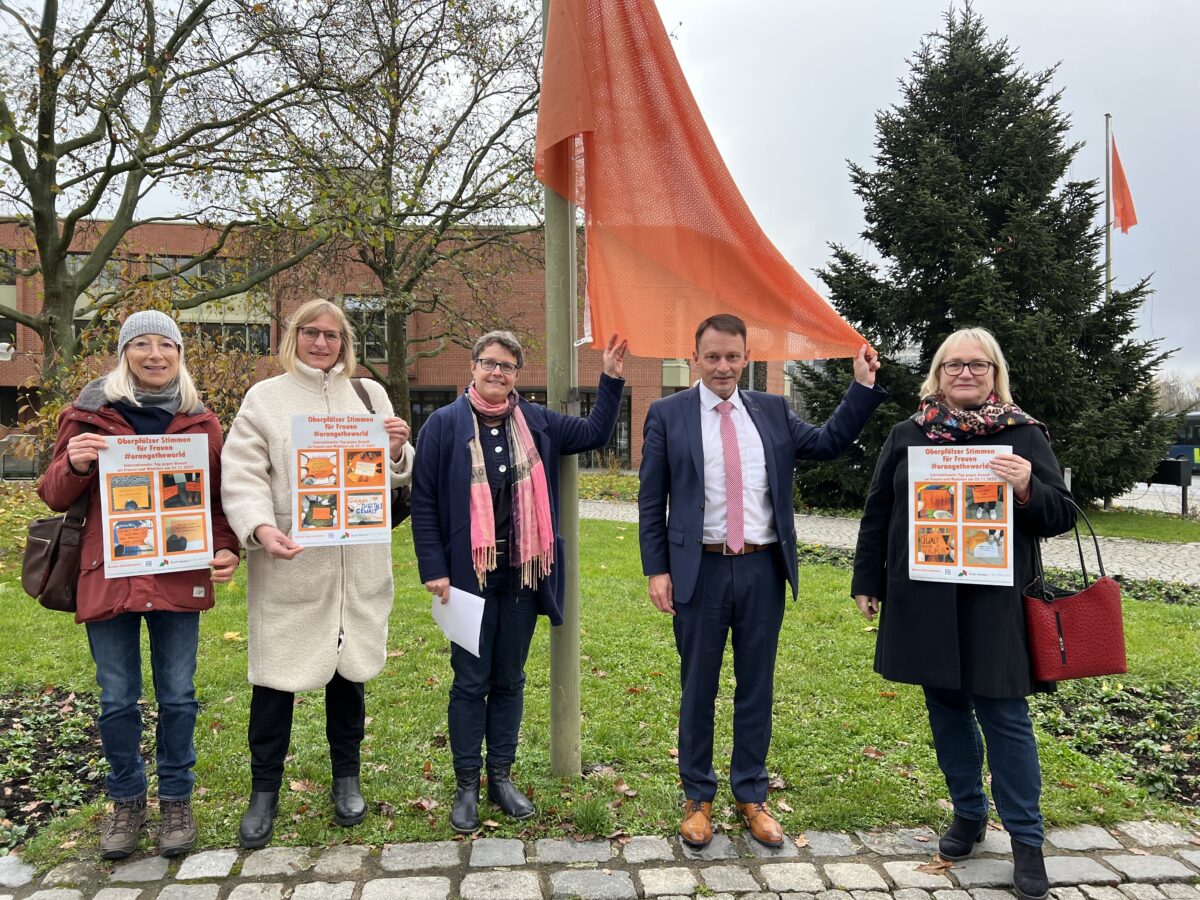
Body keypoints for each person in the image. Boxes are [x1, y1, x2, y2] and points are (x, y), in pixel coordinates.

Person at [638, 314, 884, 849]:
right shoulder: (667, 414)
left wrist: (861, 388)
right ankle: (697, 796)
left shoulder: (771, 410)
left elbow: (827, 443)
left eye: (732, 356)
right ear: (695, 358)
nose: (722, 366)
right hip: (698, 571)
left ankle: (751, 793)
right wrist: (656, 569)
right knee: (698, 687)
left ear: (746, 358)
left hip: (761, 569)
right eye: (712, 357)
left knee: (756, 686)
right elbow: (651, 499)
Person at [851, 327, 1075, 900]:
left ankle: (1026, 840)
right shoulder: (909, 434)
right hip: (925, 597)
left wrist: (1027, 487)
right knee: (946, 709)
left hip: (996, 603)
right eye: (954, 365)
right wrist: (866, 580)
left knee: (1005, 715)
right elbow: (879, 510)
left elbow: (1060, 515)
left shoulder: (1022, 435)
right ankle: (969, 813)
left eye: (978, 365)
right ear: (938, 374)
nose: (966, 373)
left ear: (995, 373)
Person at [37, 310, 240, 859]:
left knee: (178, 696)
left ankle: (176, 800)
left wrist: (226, 546)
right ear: (124, 353)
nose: (155, 354)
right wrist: (76, 463)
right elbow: (52, 494)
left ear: (179, 354)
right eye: (142, 344)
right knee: (116, 698)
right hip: (109, 575)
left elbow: (218, 501)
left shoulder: (200, 421)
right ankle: (126, 801)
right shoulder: (87, 414)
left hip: (177, 574)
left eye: (166, 345)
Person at [411, 330, 627, 833]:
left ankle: (501, 778)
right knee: (470, 682)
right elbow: (424, 501)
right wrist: (433, 567)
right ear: (473, 367)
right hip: (467, 578)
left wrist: (611, 378)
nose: (497, 372)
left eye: (507, 366)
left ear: (516, 375)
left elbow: (595, 433)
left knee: (509, 679)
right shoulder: (443, 425)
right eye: (489, 362)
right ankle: (467, 785)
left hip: (521, 576)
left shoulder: (537, 422)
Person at [220, 298, 415, 848]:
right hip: (293, 566)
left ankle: (346, 779)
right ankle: (264, 792)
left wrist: (395, 452)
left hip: (356, 569)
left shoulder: (368, 395)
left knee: (348, 679)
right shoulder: (265, 399)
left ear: (344, 342)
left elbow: (392, 476)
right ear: (294, 337)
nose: (322, 343)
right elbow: (242, 473)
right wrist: (260, 528)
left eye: (332, 335)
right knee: (274, 685)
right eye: (311, 333)